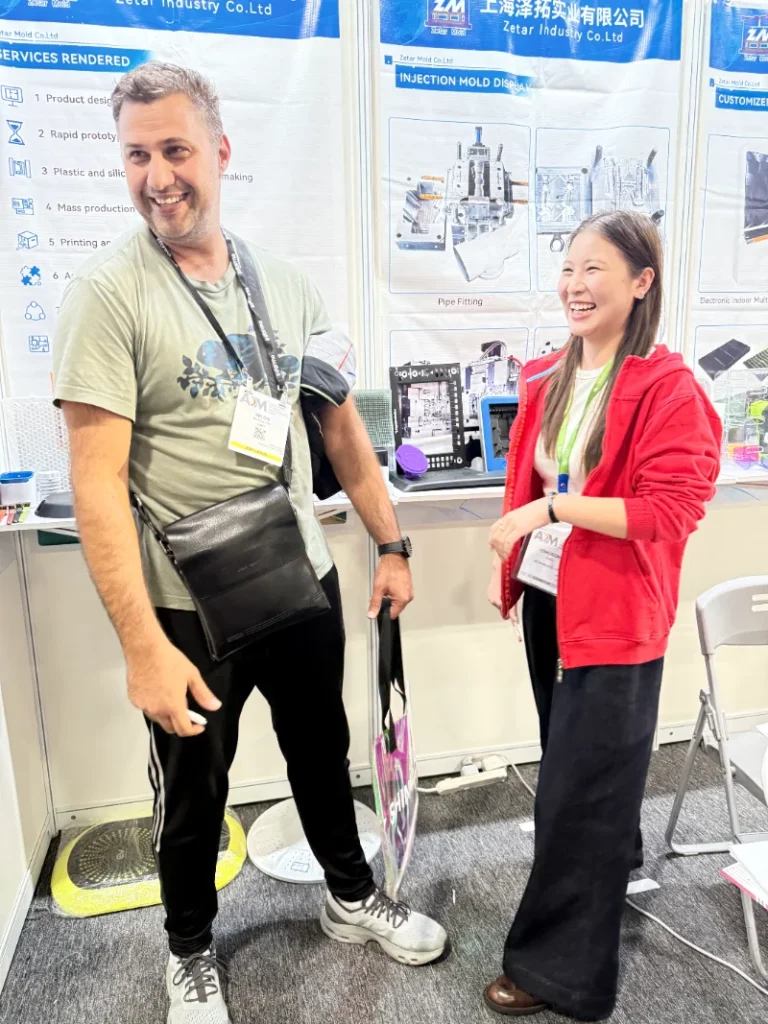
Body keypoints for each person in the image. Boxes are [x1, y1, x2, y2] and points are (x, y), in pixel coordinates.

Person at [53, 61, 447, 1024]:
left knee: (324, 753)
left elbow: (339, 428)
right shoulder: (107, 295)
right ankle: (189, 949)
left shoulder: (288, 283)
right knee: (195, 792)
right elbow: (96, 488)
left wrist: (392, 546)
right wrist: (144, 649)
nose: (158, 176)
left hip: (297, 574)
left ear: (221, 153)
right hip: (188, 607)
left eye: (176, 150)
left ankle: (351, 897)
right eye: (137, 155)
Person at [485, 210, 721, 1020]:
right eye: (568, 268)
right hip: (557, 596)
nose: (575, 286)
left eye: (595, 270)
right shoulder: (551, 374)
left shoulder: (669, 389)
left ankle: (561, 974)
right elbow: (528, 478)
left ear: (640, 282)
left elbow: (664, 511)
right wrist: (514, 566)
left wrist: (548, 515)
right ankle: (616, 859)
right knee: (576, 758)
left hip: (618, 607)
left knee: (576, 788)